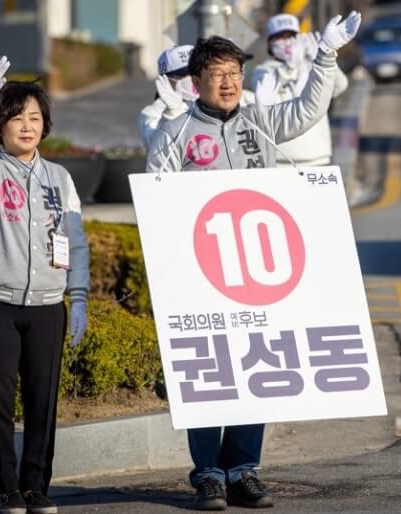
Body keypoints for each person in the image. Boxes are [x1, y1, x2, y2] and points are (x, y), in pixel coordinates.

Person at [146, 11, 361, 511]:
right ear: (196, 81)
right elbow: (156, 207)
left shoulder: (259, 122)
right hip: (200, 276)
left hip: (256, 275)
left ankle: (243, 470)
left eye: (235, 73)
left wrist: (325, 55)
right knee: (209, 377)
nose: (229, 82)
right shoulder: (174, 134)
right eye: (218, 74)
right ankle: (208, 475)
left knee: (252, 373)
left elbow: (309, 110)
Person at [0, 56, 90, 514]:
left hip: (47, 306)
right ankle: (7, 488)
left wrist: (78, 297)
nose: (26, 126)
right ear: (0, 126)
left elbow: (75, 241)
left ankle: (35, 486)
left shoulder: (60, 177)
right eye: (16, 118)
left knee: (42, 402)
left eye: (34, 117)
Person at [250, 13, 349, 167]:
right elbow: (262, 90)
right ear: (270, 43)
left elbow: (340, 86)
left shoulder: (312, 66)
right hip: (281, 159)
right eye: (280, 37)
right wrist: (288, 68)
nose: (287, 42)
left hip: (318, 156)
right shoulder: (263, 70)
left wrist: (322, 58)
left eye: (291, 36)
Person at [138, 44, 254, 150]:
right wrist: (172, 114)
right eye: (187, 73)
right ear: (168, 80)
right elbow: (156, 148)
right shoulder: (152, 113)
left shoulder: (226, 97)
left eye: (200, 71)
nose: (195, 78)